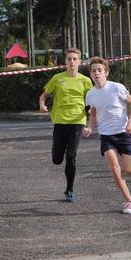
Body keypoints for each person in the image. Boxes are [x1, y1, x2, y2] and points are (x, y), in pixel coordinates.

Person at [83, 56, 131, 214]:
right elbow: (93, 115)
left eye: (100, 70)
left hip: (123, 132)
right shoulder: (90, 94)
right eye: (93, 71)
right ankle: (129, 201)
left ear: (106, 72)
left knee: (130, 171)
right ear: (91, 74)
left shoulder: (117, 88)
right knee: (114, 169)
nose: (96, 73)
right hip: (106, 136)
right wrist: (89, 128)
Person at [39, 48, 93, 202]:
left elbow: (90, 102)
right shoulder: (57, 78)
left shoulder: (85, 81)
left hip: (77, 121)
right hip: (60, 121)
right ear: (65, 62)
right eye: (69, 59)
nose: (72, 62)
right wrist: (42, 105)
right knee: (57, 159)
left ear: (80, 62)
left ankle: (69, 189)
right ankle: (57, 152)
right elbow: (43, 96)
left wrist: (90, 121)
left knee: (71, 156)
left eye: (75, 59)